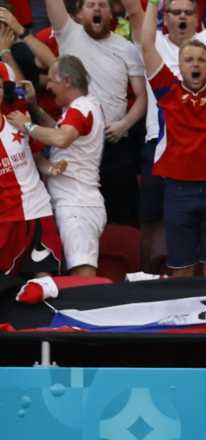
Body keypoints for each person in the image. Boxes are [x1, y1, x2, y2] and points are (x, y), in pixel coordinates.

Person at [141, 0, 206, 277]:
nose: (195, 64)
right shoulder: (166, 90)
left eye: (201, 60)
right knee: (181, 269)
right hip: (178, 191)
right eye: (189, 60)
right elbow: (147, 45)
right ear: (179, 66)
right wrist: (154, 4)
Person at [45, 0, 147, 226]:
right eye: (91, 4)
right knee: (77, 218)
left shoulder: (126, 47)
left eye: (103, 4)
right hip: (76, 145)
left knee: (123, 218)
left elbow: (142, 96)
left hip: (115, 143)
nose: (98, 8)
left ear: (112, 13)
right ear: (79, 14)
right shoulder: (68, 33)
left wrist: (125, 124)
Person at [9, 56, 105, 278]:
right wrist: (34, 107)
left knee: (83, 276)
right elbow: (58, 129)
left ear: (68, 81)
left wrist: (27, 126)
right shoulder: (83, 107)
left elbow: (61, 138)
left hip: (78, 206)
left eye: (52, 80)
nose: (48, 86)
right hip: (75, 203)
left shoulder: (81, 107)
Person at [0, 86, 63, 278]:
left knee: (44, 281)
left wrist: (52, 168)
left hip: (37, 209)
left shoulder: (18, 120)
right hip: (5, 218)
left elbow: (36, 157)